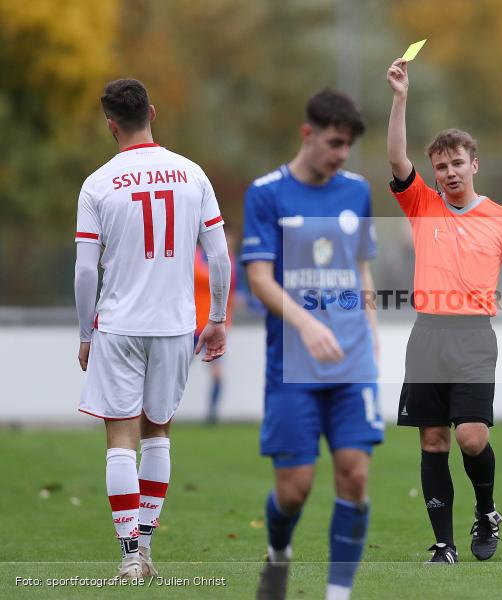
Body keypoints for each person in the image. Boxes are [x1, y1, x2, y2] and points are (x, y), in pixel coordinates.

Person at [386, 58, 502, 564]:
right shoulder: (423, 205)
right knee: (433, 440)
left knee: (472, 437)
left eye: (457, 164)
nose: (449, 173)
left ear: (474, 164)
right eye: (441, 166)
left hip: (475, 337)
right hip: (427, 334)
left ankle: (486, 510)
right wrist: (400, 98)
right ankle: (444, 545)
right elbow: (394, 158)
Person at [74, 79, 231, 580]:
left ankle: (126, 558)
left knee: (119, 437)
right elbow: (220, 257)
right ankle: (145, 549)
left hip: (118, 325)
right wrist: (219, 319)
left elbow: (83, 271)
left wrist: (85, 332)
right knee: (157, 432)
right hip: (173, 325)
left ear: (110, 122)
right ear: (153, 113)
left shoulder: (98, 183)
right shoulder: (192, 174)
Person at [241, 89, 382, 600]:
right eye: (334, 142)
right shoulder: (266, 193)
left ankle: (337, 595)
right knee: (294, 489)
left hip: (351, 360)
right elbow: (258, 278)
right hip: (292, 365)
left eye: (348, 146)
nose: (341, 154)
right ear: (308, 134)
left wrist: (371, 329)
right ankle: (278, 555)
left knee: (355, 476)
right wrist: (305, 323)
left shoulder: (357, 191)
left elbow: (360, 264)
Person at [193, 227, 240, 424]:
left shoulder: (230, 263)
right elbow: (205, 277)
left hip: (215, 328)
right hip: (192, 325)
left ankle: (212, 415)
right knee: (172, 373)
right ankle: (160, 412)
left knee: (218, 373)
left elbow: (232, 292)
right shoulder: (195, 257)